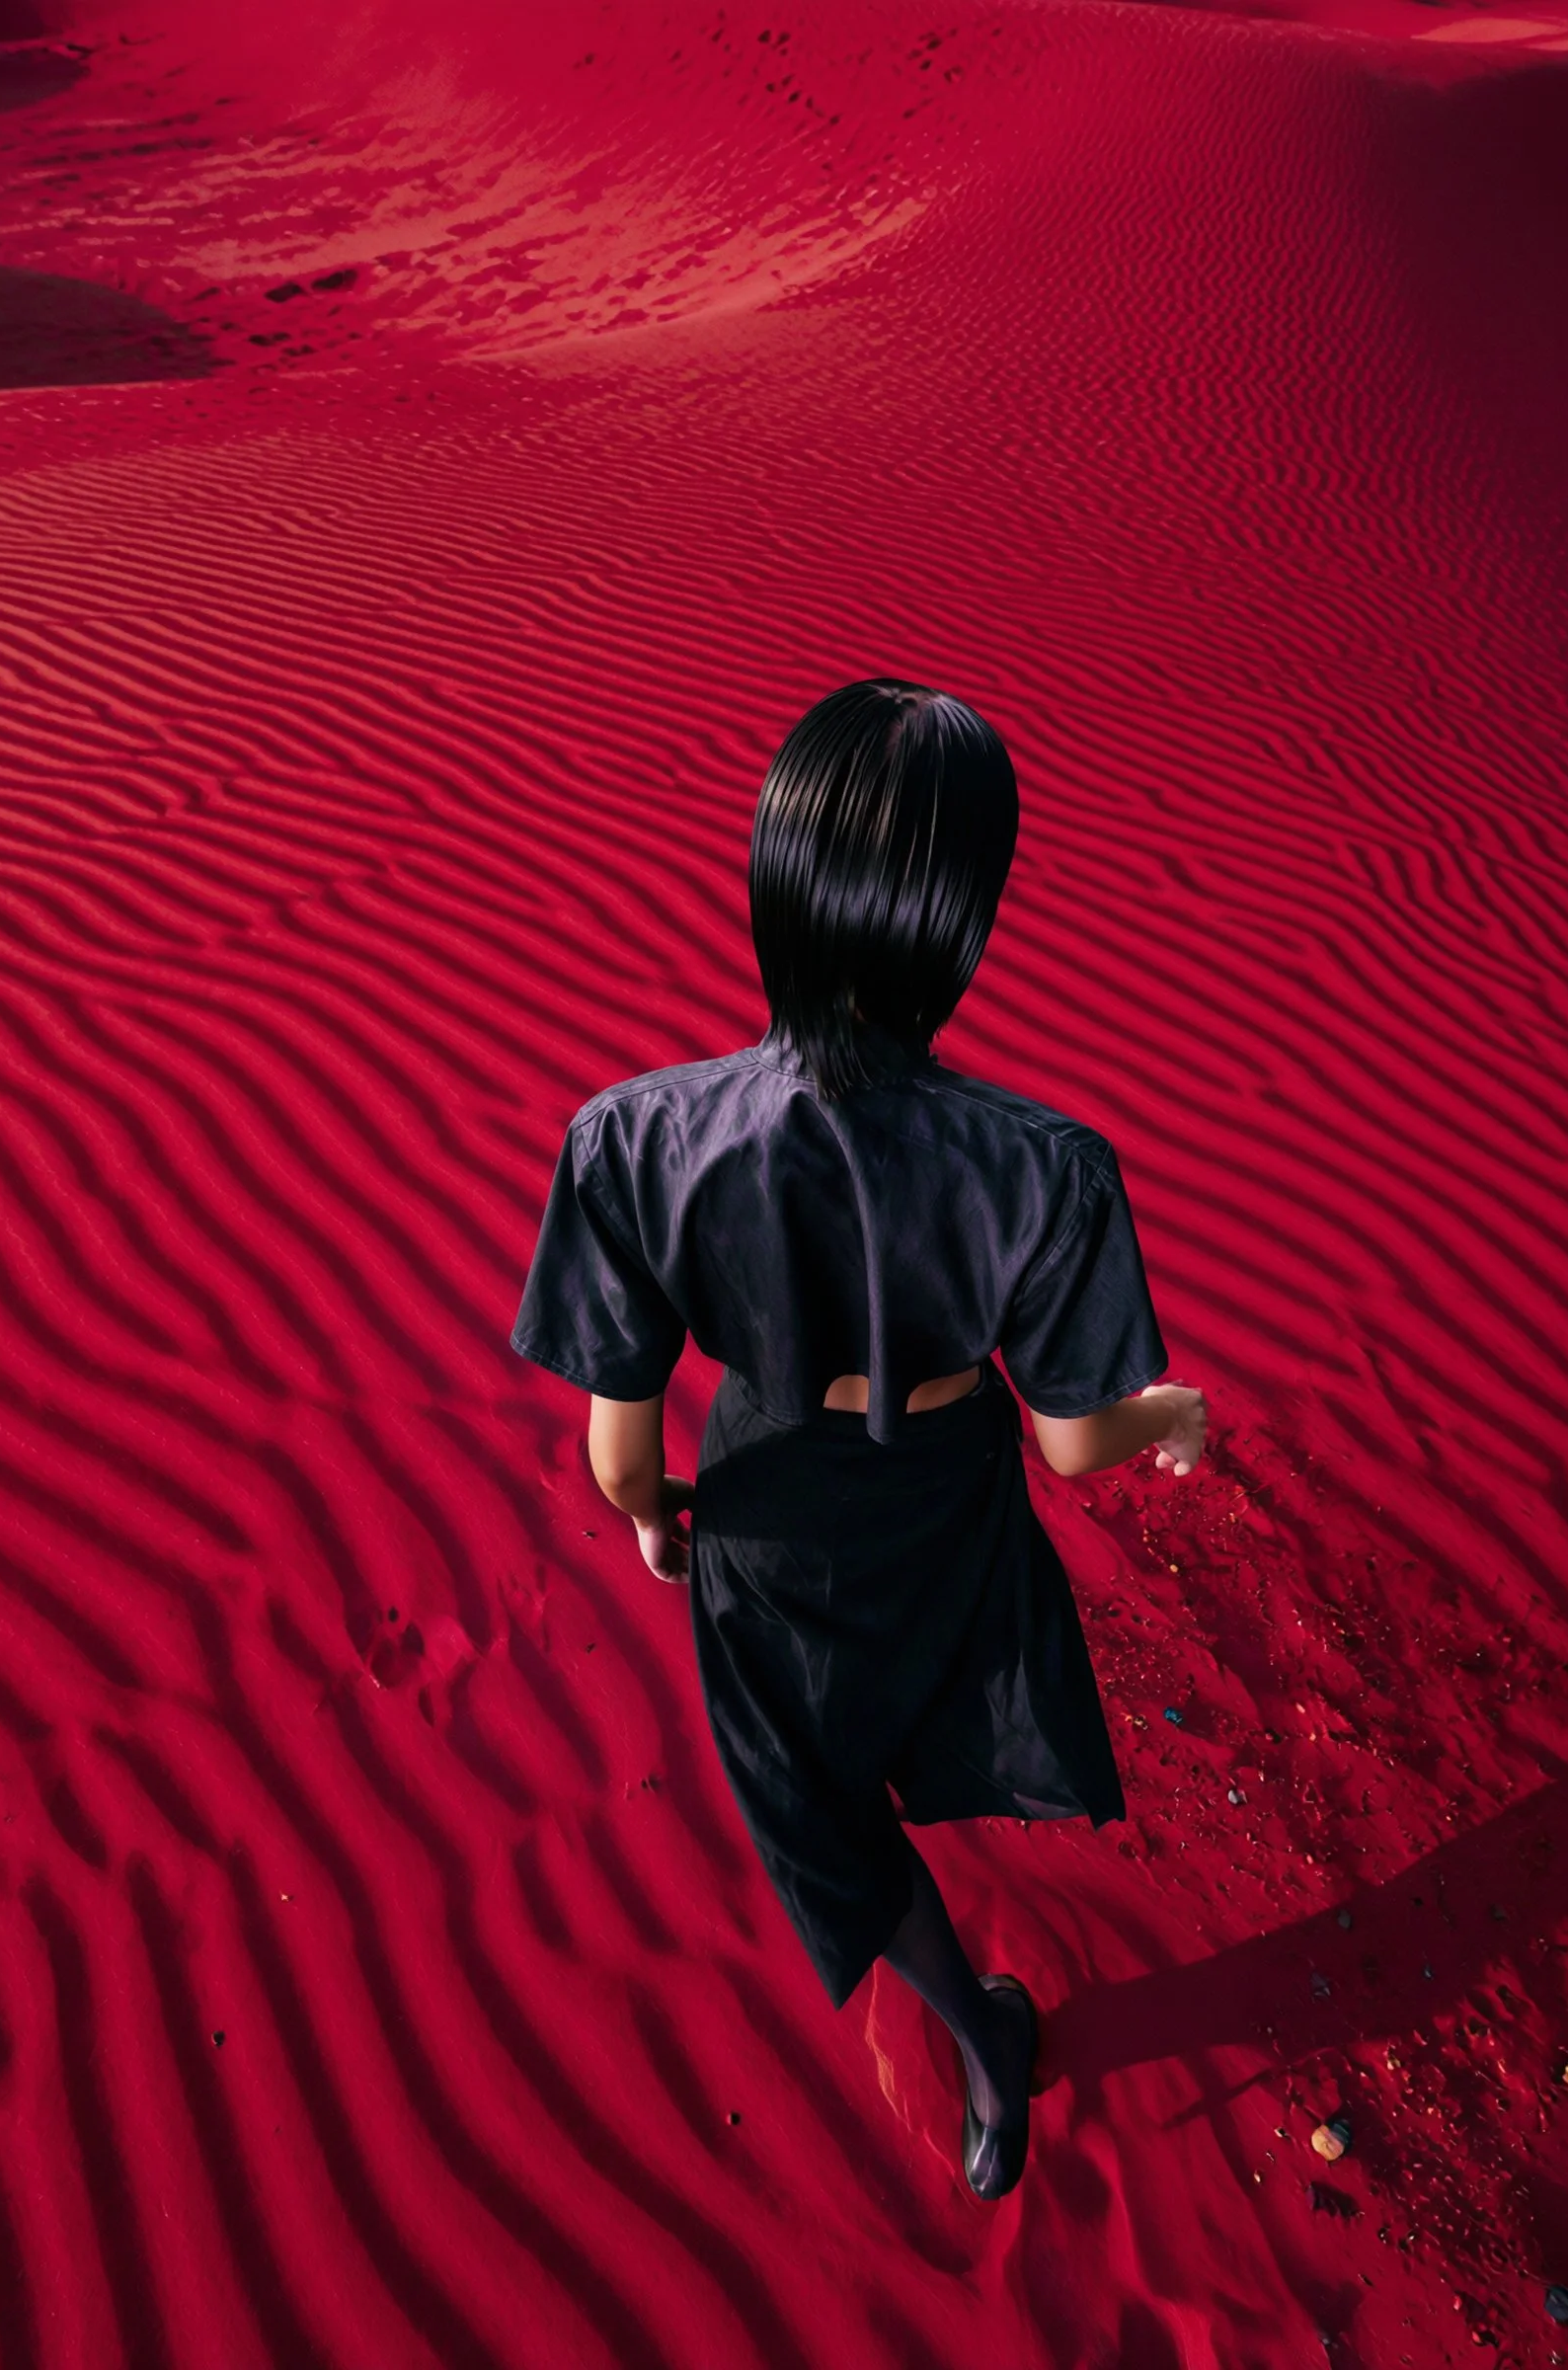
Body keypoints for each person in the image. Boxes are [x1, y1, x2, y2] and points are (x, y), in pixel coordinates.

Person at [510, 678, 1209, 2201]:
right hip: (948, 1507)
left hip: (762, 1507)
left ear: (775, 884)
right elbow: (1074, 1446)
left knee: (815, 1813)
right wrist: (1174, 1414)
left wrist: (658, 1516)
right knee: (924, 1719)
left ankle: (976, 2032)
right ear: (962, 927)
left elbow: (620, 1463)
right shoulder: (1053, 1169)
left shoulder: (630, 1137)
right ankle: (992, 2034)